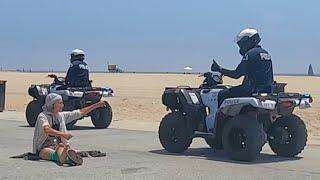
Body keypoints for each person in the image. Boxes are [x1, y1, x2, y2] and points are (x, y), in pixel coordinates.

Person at [32, 93, 106, 165]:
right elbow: (47, 130)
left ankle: (63, 155)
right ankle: (64, 157)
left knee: (61, 147)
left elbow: (79, 112)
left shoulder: (61, 116)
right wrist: (63, 134)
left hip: (59, 145)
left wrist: (96, 105)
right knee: (44, 152)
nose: (63, 105)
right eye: (60, 103)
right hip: (45, 146)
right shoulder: (42, 116)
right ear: (52, 104)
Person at [210, 28, 274, 105]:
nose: (240, 47)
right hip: (267, 90)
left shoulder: (250, 54)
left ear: (247, 41)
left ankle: (219, 116)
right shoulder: (265, 53)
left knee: (222, 94)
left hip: (251, 90)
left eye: (241, 44)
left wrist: (219, 69)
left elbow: (236, 74)